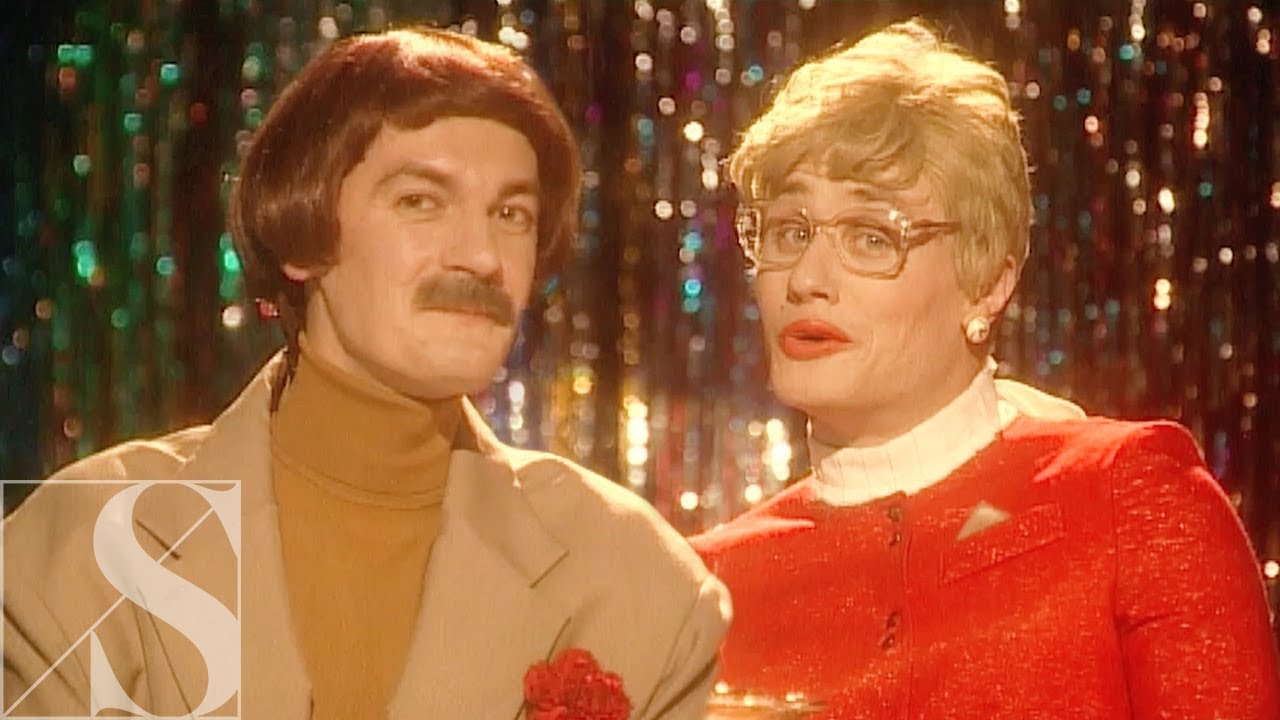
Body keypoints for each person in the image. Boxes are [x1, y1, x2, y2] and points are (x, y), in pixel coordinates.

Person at [4, 27, 729, 720]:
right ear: (301, 233)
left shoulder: (640, 582)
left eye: (511, 213)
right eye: (421, 201)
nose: (481, 257)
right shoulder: (83, 547)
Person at [691, 19, 1279, 719]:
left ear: (988, 285)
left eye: (871, 237)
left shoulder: (1126, 496)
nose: (806, 280)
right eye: (790, 231)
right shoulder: (705, 588)